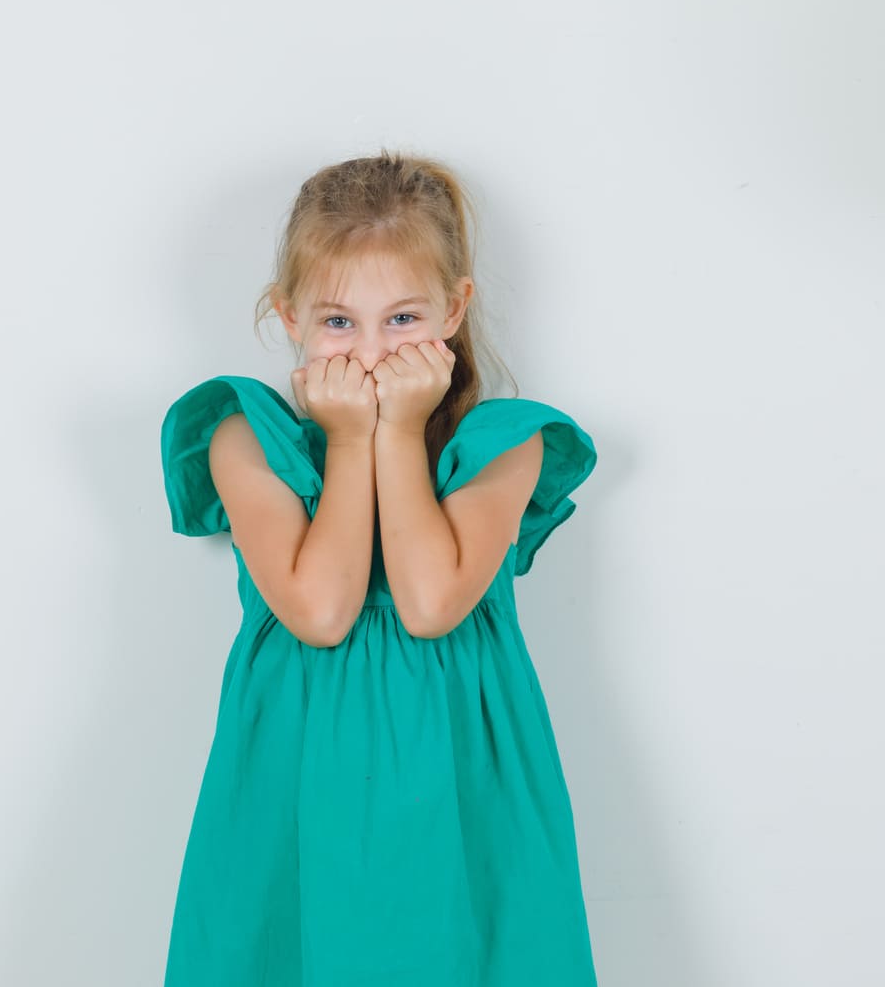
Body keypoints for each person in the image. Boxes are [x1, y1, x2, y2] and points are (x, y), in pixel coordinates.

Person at [158, 150, 600, 985]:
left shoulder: (502, 444)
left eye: (401, 319)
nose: (369, 353)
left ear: (454, 308)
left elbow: (429, 605)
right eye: (338, 322)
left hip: (459, 793)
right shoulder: (245, 436)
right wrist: (350, 439)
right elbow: (321, 613)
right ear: (287, 315)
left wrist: (395, 432)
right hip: (298, 789)